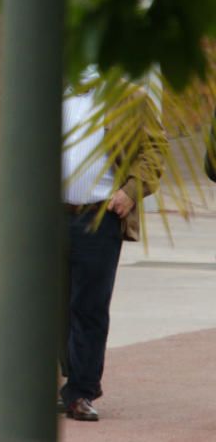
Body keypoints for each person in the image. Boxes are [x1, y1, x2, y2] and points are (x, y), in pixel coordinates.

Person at [58, 72, 166, 422]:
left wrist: (130, 192)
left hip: (100, 215)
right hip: (53, 217)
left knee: (89, 306)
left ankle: (81, 389)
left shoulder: (129, 98)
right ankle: (74, 377)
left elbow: (154, 150)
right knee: (54, 304)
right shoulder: (52, 93)